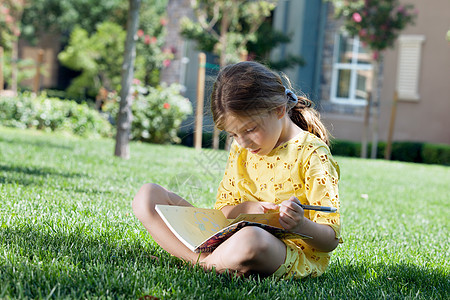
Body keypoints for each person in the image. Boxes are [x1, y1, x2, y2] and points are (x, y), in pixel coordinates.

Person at [132, 61, 342, 279]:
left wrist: (300, 224)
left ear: (279, 109)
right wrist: (249, 207)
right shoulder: (242, 148)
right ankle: (207, 262)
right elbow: (222, 214)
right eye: (234, 135)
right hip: (228, 240)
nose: (243, 143)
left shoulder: (312, 154)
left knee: (252, 239)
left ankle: (202, 263)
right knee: (147, 196)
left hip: (282, 251)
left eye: (250, 129)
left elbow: (330, 239)